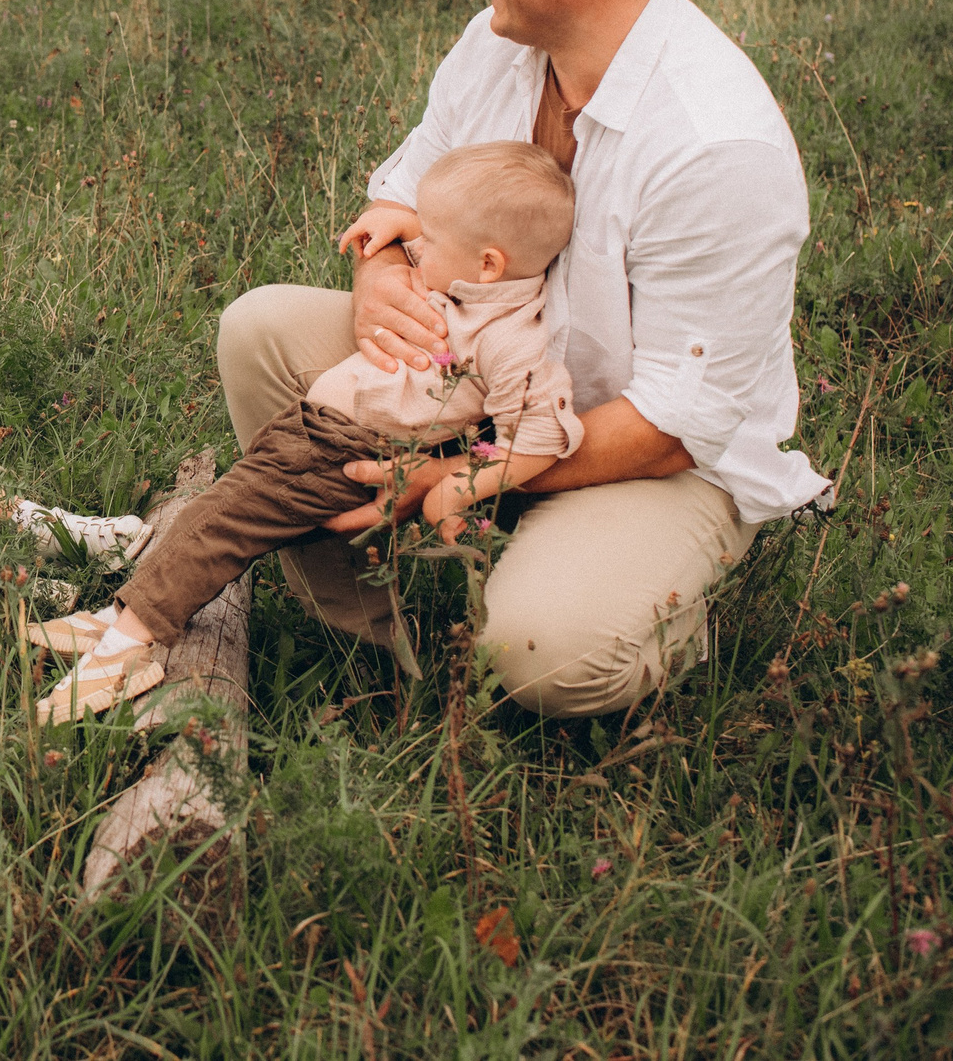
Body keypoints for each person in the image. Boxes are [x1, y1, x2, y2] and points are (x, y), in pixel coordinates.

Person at [206, 0, 827, 718]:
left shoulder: (714, 145)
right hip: (481, 369)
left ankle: (663, 611)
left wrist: (467, 471)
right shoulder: (496, 44)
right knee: (260, 328)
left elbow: (673, 428)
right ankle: (361, 645)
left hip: (645, 456)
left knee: (544, 653)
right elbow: (407, 194)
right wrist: (382, 284)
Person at [29, 142, 583, 723]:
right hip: (317, 430)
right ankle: (128, 618)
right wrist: (399, 220)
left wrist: (460, 484)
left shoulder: (512, 340)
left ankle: (127, 649)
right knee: (226, 510)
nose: (416, 251)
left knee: (222, 526)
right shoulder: (474, 276)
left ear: (488, 263)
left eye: (430, 242)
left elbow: (542, 434)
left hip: (350, 451)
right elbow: (443, 236)